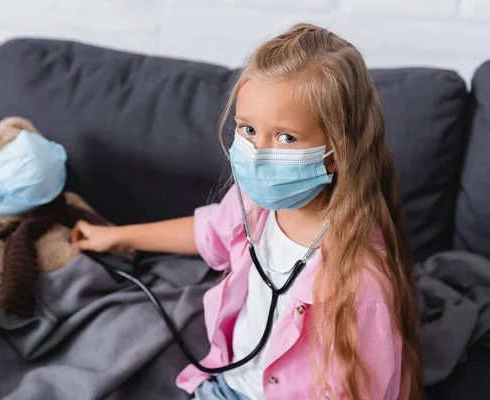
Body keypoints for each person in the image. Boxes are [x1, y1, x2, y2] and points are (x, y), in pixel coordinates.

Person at [71, 23, 420, 400]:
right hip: (224, 383)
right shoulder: (258, 203)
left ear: (338, 153)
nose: (257, 153)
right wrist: (115, 235)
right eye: (248, 129)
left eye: (286, 137)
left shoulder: (361, 281)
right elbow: (207, 232)